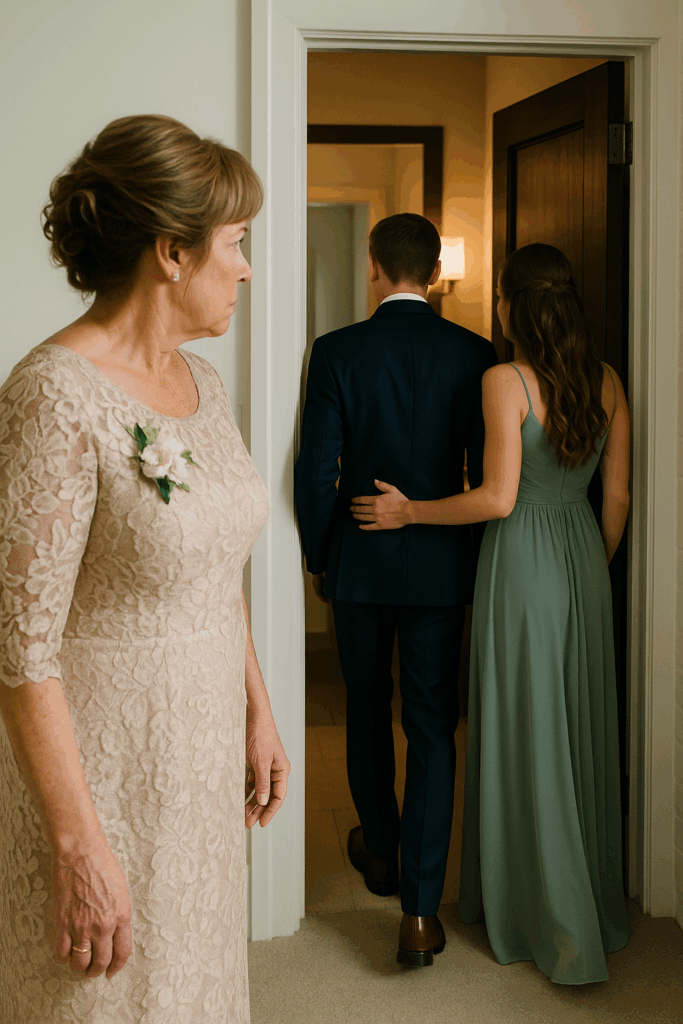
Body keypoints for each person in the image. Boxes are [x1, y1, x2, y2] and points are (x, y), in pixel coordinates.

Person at [0, 114, 290, 1024]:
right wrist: (77, 845)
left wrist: (256, 708)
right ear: (171, 252)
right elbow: (20, 651)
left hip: (200, 761)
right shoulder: (51, 394)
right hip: (104, 774)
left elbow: (215, 567)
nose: (246, 268)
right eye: (235, 244)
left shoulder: (208, 385)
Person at [351, 241, 631, 984]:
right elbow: (616, 497)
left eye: (500, 297)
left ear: (513, 306)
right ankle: (588, 896)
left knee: (522, 724)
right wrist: (587, 567)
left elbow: (499, 498)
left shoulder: (505, 380)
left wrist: (410, 510)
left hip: (522, 563)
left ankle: (537, 906)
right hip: (581, 559)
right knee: (572, 723)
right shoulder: (606, 380)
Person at [295, 212, 497, 966]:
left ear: (373, 266)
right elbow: (486, 473)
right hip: (440, 568)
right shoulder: (475, 354)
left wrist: (321, 558)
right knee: (433, 726)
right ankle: (418, 910)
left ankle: (379, 852)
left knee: (365, 709)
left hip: (359, 561)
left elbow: (315, 470)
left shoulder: (337, 350)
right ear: (436, 273)